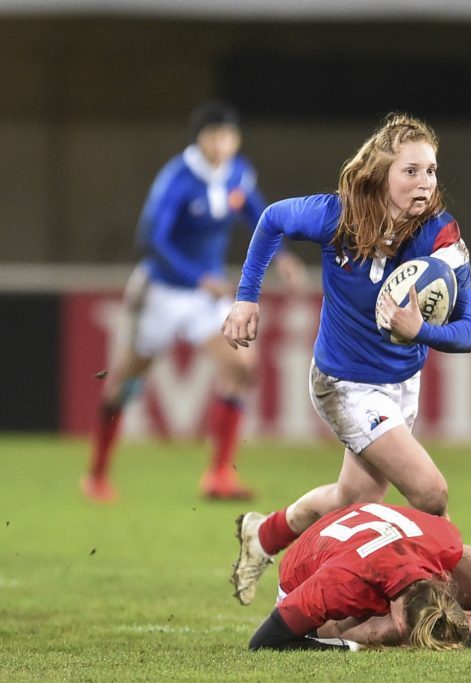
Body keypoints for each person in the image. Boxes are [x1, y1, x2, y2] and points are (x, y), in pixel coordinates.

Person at [221, 113, 471, 631]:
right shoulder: (338, 217)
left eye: (431, 171)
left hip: (400, 384)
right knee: (430, 492)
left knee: (354, 498)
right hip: (343, 384)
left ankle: (265, 535)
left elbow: (470, 330)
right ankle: (454, 607)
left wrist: (420, 331)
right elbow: (272, 218)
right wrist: (246, 299)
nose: (425, 183)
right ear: (383, 174)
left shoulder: (441, 235)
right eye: (411, 171)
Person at [81, 101, 306, 503]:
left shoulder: (238, 172)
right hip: (163, 292)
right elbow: (152, 240)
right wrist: (197, 277)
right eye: (213, 136)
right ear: (198, 139)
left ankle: (218, 475)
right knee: (124, 384)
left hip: (205, 296)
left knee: (241, 367)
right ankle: (96, 474)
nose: (221, 144)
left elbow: (259, 214)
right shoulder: (177, 180)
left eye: (228, 136)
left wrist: (284, 254)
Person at [249, 502, 471, 651]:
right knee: (372, 632)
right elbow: (263, 643)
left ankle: (449, 623)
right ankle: (462, 623)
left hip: (381, 546)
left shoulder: (446, 540)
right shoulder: (339, 583)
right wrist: (352, 649)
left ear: (443, 582)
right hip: (311, 570)